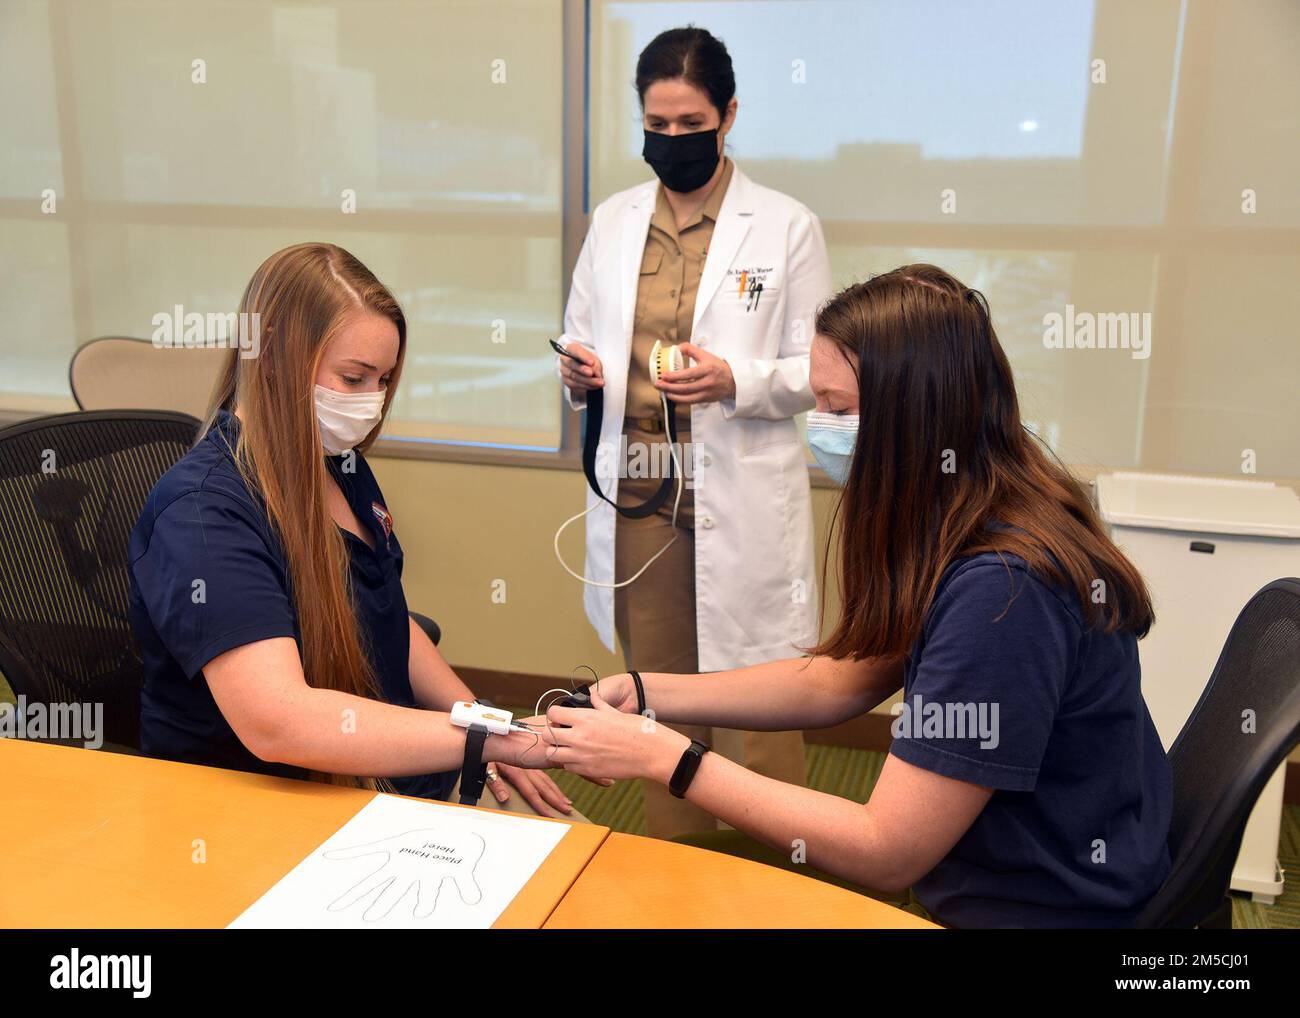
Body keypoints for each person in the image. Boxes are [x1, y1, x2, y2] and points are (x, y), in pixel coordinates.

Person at [543, 264, 1174, 928]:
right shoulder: (973, 508)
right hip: (999, 872)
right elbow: (838, 683)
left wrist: (660, 754)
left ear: (915, 412)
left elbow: (886, 850)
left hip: (1031, 910)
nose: (822, 428)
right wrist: (648, 692)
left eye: (839, 408)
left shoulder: (1002, 591)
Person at [128, 242, 582, 817]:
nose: (372, 402)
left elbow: (389, 616)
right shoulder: (203, 514)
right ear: (272, 357)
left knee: (582, 860)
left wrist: (489, 724)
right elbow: (278, 722)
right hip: (270, 808)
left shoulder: (338, 465)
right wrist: (488, 740)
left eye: (384, 380)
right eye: (353, 377)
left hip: (388, 776)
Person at [555, 26, 832, 838]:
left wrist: (734, 381)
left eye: (689, 123)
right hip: (641, 499)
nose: (671, 141)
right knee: (658, 700)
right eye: (658, 125)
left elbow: (817, 369)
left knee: (759, 700)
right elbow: (578, 333)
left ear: (729, 113)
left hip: (737, 495)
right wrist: (577, 371)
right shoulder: (613, 221)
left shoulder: (784, 226)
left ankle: (779, 868)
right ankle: (674, 871)